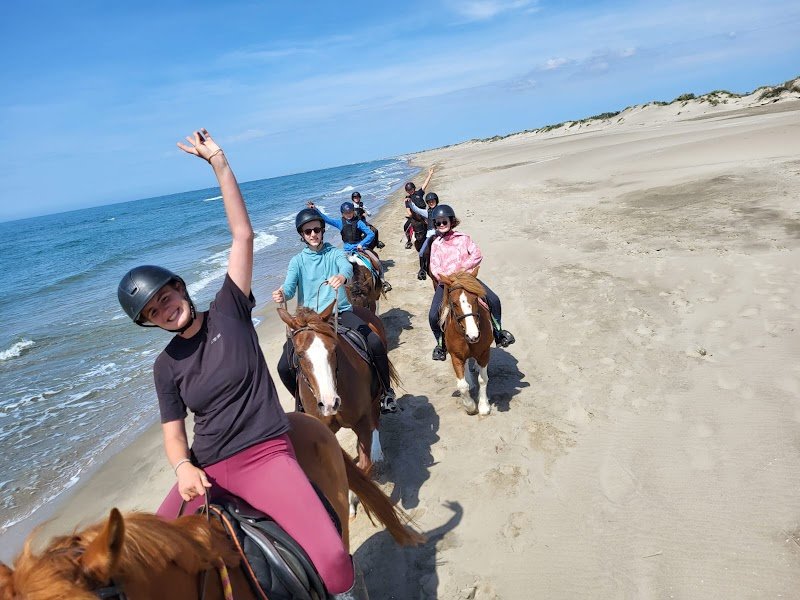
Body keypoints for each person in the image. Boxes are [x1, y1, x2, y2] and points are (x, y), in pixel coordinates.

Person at [116, 130, 364, 599]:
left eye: (166, 298)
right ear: (150, 322)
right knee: (142, 571)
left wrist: (219, 164)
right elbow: (173, 433)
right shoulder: (165, 366)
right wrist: (182, 467)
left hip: (263, 455)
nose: (166, 310)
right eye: (153, 311)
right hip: (206, 469)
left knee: (333, 562)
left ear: (180, 288)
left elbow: (242, 235)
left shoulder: (229, 309)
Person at [273, 207, 399, 414]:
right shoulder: (297, 261)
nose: (313, 234)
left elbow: (346, 268)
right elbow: (289, 287)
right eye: (308, 231)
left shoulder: (335, 253)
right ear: (302, 235)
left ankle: (386, 392)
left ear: (322, 230)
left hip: (339, 312)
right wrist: (281, 294)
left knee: (375, 342)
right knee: (283, 367)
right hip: (308, 321)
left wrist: (342, 277)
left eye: (316, 229)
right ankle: (302, 404)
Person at [427, 204, 516, 361]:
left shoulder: (464, 238)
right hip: (447, 283)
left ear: (451, 221)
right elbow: (434, 267)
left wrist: (463, 268)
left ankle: (498, 332)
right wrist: (447, 277)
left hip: (467, 279)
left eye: (444, 221)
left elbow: (476, 254)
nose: (441, 224)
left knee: (494, 300)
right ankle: (441, 345)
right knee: (433, 315)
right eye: (438, 222)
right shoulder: (436, 244)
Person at [310, 200, 392, 293]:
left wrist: (361, 244)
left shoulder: (359, 222)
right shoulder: (340, 223)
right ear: (342, 214)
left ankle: (383, 282)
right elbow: (326, 219)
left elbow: (370, 234)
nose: (348, 215)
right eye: (346, 213)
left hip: (359, 249)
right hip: (346, 251)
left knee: (377, 261)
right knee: (334, 266)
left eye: (350, 212)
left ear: (353, 211)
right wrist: (315, 209)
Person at [406, 191, 440, 280]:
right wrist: (410, 203)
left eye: (433, 201)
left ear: (436, 201)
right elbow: (417, 209)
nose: (431, 203)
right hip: (429, 236)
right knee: (421, 252)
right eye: (429, 202)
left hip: (439, 235)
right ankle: (422, 270)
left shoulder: (440, 211)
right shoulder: (427, 212)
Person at [402, 167, 435, 249]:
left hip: (423, 213)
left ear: (414, 188)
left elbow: (425, 184)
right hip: (415, 216)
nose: (410, 191)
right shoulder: (407, 199)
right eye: (408, 190)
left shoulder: (419, 193)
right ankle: (409, 241)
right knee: (406, 226)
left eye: (411, 189)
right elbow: (408, 210)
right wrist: (411, 215)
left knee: (432, 221)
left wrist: (430, 174)